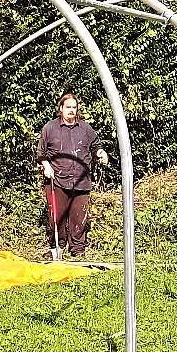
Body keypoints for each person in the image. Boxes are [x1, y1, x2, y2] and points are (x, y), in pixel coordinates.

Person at [36, 93, 108, 258]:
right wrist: (46, 166)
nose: (71, 110)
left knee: (78, 218)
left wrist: (101, 154)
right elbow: (41, 153)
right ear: (61, 109)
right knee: (57, 217)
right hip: (57, 180)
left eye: (74, 107)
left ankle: (77, 251)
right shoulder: (50, 128)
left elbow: (96, 146)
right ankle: (57, 248)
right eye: (68, 107)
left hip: (81, 181)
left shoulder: (85, 129)